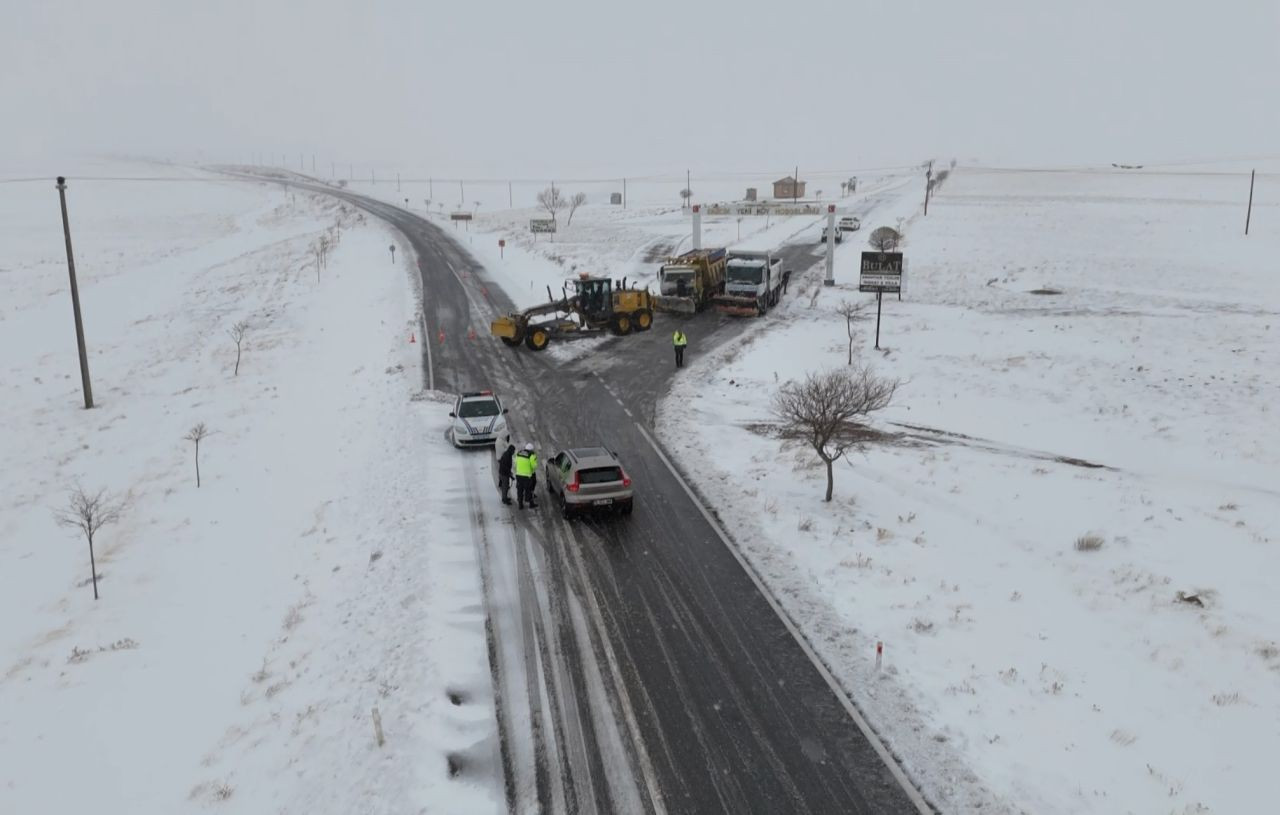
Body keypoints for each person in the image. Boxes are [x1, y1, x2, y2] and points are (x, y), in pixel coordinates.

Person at [514, 442, 539, 509]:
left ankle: (520, 505)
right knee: (529, 489)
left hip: (518, 475)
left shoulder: (519, 453)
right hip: (527, 476)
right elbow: (534, 466)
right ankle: (531, 504)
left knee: (520, 490)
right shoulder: (531, 455)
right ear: (531, 450)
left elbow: (515, 462)